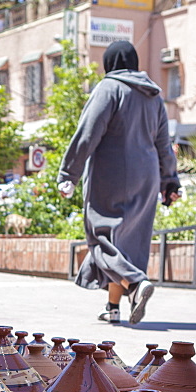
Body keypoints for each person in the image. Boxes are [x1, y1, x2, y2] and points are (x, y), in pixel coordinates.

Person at [58, 40, 179, 326]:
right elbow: (164, 144)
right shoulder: (153, 96)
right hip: (147, 177)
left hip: (112, 175)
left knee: (101, 237)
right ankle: (113, 307)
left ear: (109, 63)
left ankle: (135, 284)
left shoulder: (109, 88)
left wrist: (68, 175)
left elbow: (87, 134)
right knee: (126, 242)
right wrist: (170, 182)